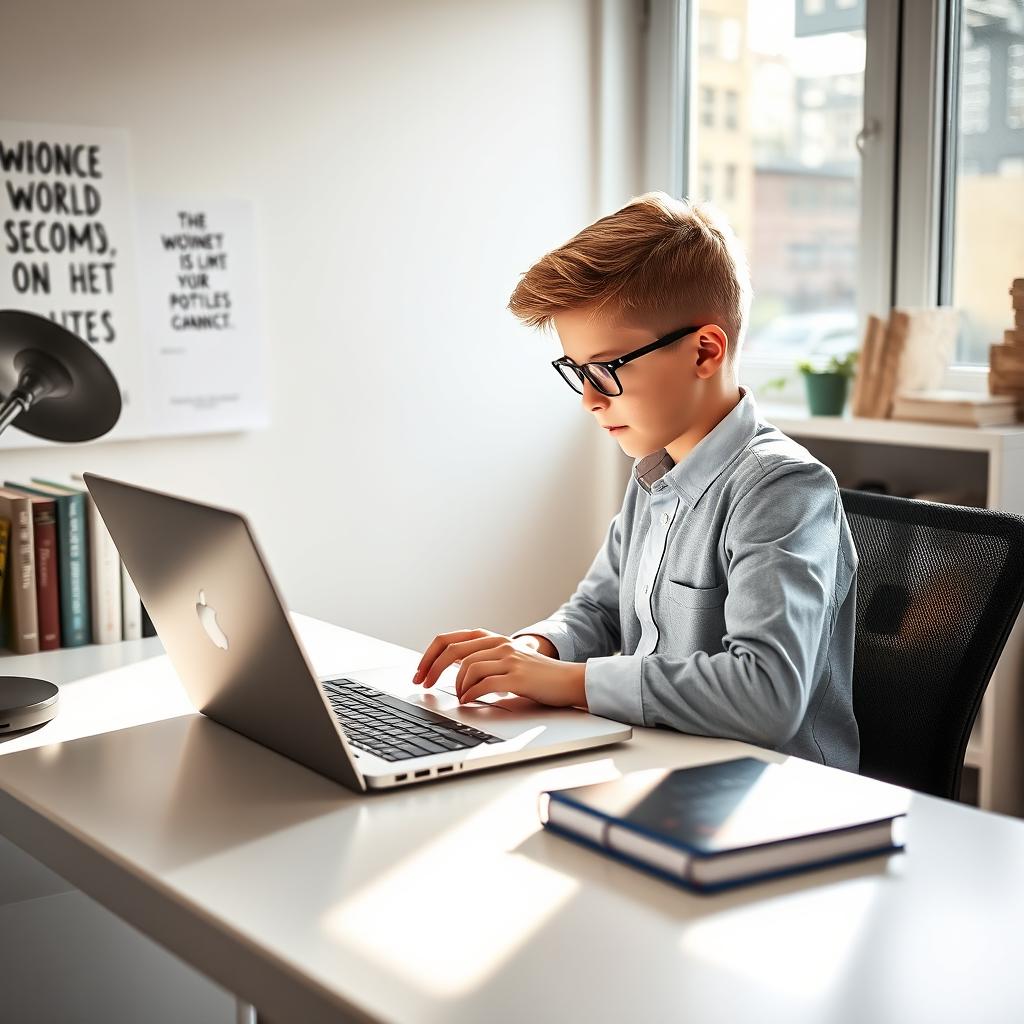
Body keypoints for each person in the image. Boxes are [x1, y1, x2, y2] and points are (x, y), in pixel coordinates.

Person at [413, 191, 859, 770]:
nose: (591, 400)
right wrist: (530, 651)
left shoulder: (782, 489)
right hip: (662, 766)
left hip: (775, 798)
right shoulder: (655, 469)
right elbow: (596, 612)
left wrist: (570, 682)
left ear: (704, 351)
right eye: (578, 372)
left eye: (607, 370)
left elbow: (766, 694)